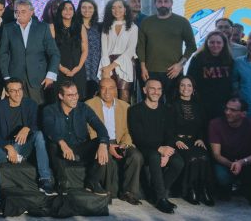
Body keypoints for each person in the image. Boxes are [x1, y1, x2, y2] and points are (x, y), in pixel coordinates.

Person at [0, 78, 54, 216]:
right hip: (4, 147)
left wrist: (27, 128)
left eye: (20, 90)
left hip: (23, 146)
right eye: (13, 91)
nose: (17, 94)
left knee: (39, 135)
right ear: (7, 93)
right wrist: (8, 147)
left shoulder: (31, 104)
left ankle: (45, 180)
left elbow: (36, 125)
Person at [42, 80, 110, 195]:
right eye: (70, 95)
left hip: (81, 150)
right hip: (61, 154)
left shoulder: (83, 108)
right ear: (61, 96)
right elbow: (49, 129)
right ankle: (62, 182)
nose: (75, 98)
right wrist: (62, 144)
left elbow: (100, 127)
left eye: (76, 94)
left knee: (102, 141)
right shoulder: (49, 110)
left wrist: (103, 144)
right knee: (53, 143)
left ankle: (92, 182)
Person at [128, 78, 184, 213]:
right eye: (152, 88)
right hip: (144, 147)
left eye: (159, 89)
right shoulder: (135, 110)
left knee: (178, 162)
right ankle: (161, 198)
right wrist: (160, 149)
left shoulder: (166, 110)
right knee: (154, 156)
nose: (156, 92)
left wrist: (167, 152)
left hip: (163, 148)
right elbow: (138, 137)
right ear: (144, 90)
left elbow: (170, 134)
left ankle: (158, 193)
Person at [209, 97, 251, 208]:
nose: (227, 112)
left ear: (243, 114)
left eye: (233, 110)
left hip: (246, 162)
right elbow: (216, 154)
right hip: (225, 162)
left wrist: (242, 162)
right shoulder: (215, 123)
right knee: (222, 176)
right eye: (226, 109)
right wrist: (232, 164)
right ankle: (226, 189)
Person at [86, 77, 143, 205]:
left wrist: (124, 144)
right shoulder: (89, 104)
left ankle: (129, 192)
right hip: (101, 141)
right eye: (103, 88)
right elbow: (90, 130)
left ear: (116, 90)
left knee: (136, 156)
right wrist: (107, 145)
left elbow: (129, 130)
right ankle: (107, 192)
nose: (107, 92)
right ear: (99, 90)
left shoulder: (125, 106)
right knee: (105, 155)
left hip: (120, 141)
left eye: (111, 88)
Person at [0, 0, 61, 104]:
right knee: (17, 109)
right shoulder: (8, 28)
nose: (19, 14)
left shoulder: (43, 27)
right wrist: (7, 77)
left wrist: (50, 75)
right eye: (17, 11)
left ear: (31, 12)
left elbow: (54, 53)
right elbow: (3, 54)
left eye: (23, 11)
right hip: (15, 78)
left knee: (37, 108)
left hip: (38, 78)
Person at [137, 0, 196, 99]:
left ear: (171, 3)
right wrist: (143, 68)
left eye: (166, 1)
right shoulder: (146, 22)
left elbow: (192, 46)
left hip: (174, 71)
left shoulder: (182, 22)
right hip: (151, 71)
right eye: (159, 1)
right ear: (155, 3)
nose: (163, 4)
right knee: (152, 104)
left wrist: (180, 65)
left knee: (173, 104)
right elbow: (140, 46)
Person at [171, 76, 214, 206]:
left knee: (204, 157)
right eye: (182, 85)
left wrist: (201, 138)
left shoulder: (199, 106)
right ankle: (190, 190)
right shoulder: (171, 105)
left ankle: (205, 190)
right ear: (178, 88)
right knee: (192, 158)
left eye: (189, 85)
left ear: (193, 89)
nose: (186, 88)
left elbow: (202, 126)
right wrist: (175, 140)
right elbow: (167, 127)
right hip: (178, 142)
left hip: (195, 141)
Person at [188, 31, 236, 121]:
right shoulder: (197, 59)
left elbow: (232, 82)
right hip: (203, 104)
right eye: (212, 42)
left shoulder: (229, 60)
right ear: (207, 43)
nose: (215, 45)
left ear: (223, 44)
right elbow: (190, 80)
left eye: (218, 42)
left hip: (224, 104)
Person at [99, 0, 139, 103]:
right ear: (110, 10)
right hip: (107, 63)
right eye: (113, 7)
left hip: (125, 64)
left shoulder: (133, 27)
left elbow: (130, 50)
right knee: (108, 97)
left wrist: (111, 66)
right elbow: (104, 51)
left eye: (120, 7)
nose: (117, 10)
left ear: (125, 9)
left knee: (124, 97)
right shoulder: (106, 27)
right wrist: (106, 70)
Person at [50, 1, 88, 99]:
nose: (68, 11)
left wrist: (78, 67)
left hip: (77, 68)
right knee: (61, 98)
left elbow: (85, 50)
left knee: (78, 98)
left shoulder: (80, 27)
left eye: (71, 9)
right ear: (60, 11)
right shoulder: (53, 27)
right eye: (65, 9)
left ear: (74, 12)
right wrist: (61, 68)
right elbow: (50, 51)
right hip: (59, 68)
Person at [79, 0, 102, 100]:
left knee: (93, 98)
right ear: (79, 9)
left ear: (94, 9)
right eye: (84, 7)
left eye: (90, 7)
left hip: (96, 67)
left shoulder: (100, 27)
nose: (87, 10)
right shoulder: (75, 26)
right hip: (80, 66)